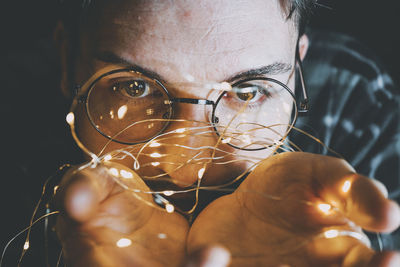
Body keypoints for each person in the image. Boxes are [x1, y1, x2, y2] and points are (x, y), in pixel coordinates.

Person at [2, 0, 399, 266]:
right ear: (68, 59)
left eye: (247, 92)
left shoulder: (352, 95)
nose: (183, 171)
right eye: (134, 88)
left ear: (298, 67)